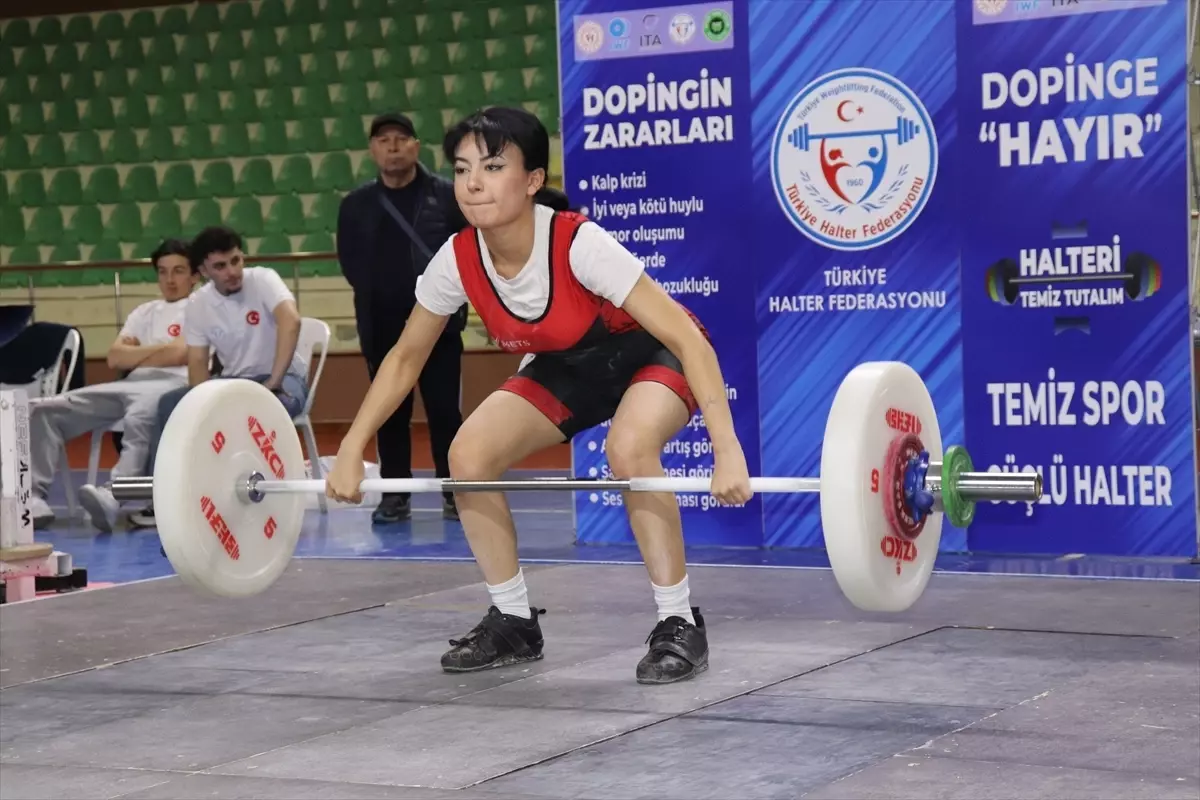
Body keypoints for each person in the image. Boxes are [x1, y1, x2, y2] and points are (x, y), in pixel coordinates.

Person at [324, 107, 752, 686]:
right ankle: (513, 619)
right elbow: (404, 358)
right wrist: (352, 446)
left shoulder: (578, 243)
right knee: (468, 456)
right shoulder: (456, 258)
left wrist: (727, 449)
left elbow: (684, 337)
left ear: (530, 180)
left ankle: (679, 622)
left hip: (651, 353)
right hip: (566, 366)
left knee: (628, 452)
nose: (473, 182)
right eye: (463, 167)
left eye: (494, 165)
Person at [127, 226, 309, 529]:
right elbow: (198, 360)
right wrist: (197, 406)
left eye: (236, 261)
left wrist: (274, 382)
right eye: (220, 266)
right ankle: (164, 498)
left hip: (283, 379)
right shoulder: (199, 304)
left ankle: (267, 499)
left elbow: (292, 321)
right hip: (234, 381)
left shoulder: (263, 279)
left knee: (259, 408)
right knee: (170, 405)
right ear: (203, 270)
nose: (232, 272)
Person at [336, 112, 469, 524]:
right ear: (372, 150)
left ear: (416, 146)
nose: (392, 146)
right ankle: (394, 494)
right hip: (382, 328)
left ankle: (453, 491)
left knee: (446, 412)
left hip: (440, 324)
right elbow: (350, 263)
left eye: (401, 138)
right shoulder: (355, 205)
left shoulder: (448, 196)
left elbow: (465, 252)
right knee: (388, 414)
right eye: (383, 140)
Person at [29, 239, 197, 531]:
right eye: (162, 271)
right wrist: (158, 352)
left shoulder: (201, 307)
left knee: (140, 416)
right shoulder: (144, 312)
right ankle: (33, 497)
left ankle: (113, 496)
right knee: (48, 409)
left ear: (194, 275)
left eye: (179, 271)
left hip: (173, 384)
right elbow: (114, 358)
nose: (170, 280)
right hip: (129, 384)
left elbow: (181, 354)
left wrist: (138, 354)